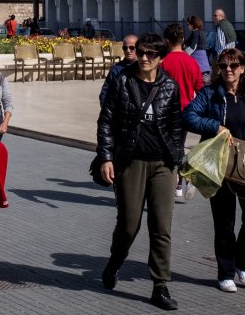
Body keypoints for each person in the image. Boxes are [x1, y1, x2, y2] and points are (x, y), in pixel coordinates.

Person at [182, 48, 245, 294]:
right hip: (220, 165)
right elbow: (188, 115)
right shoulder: (210, 93)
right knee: (224, 221)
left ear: (242, 68)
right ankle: (225, 272)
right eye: (223, 65)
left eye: (234, 66)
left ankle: (242, 264)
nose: (228, 70)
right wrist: (214, 126)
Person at [97, 33, 182, 311]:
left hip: (162, 165)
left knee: (161, 227)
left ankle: (160, 285)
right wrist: (106, 157)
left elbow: (176, 128)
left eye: (151, 54)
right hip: (130, 163)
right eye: (141, 52)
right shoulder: (122, 80)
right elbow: (106, 121)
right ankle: (115, 262)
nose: (144, 58)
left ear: (160, 58)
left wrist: (177, 163)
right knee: (128, 225)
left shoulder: (169, 85)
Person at [160, 23, 204, 198]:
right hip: (186, 111)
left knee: (167, 148)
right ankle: (180, 179)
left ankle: (177, 179)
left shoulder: (164, 63)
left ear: (166, 41)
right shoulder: (192, 63)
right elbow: (200, 89)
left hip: (166, 112)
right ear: (183, 40)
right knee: (178, 145)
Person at [99, 34, 138, 107]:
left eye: (132, 48)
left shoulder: (145, 68)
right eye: (125, 48)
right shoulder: (116, 69)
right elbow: (106, 91)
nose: (128, 50)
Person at [185, 15, 212, 84]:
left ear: (193, 24)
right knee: (205, 82)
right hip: (204, 62)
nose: (187, 26)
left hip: (197, 60)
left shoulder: (195, 33)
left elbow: (193, 47)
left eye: (188, 24)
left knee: (198, 82)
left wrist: (183, 54)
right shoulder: (202, 32)